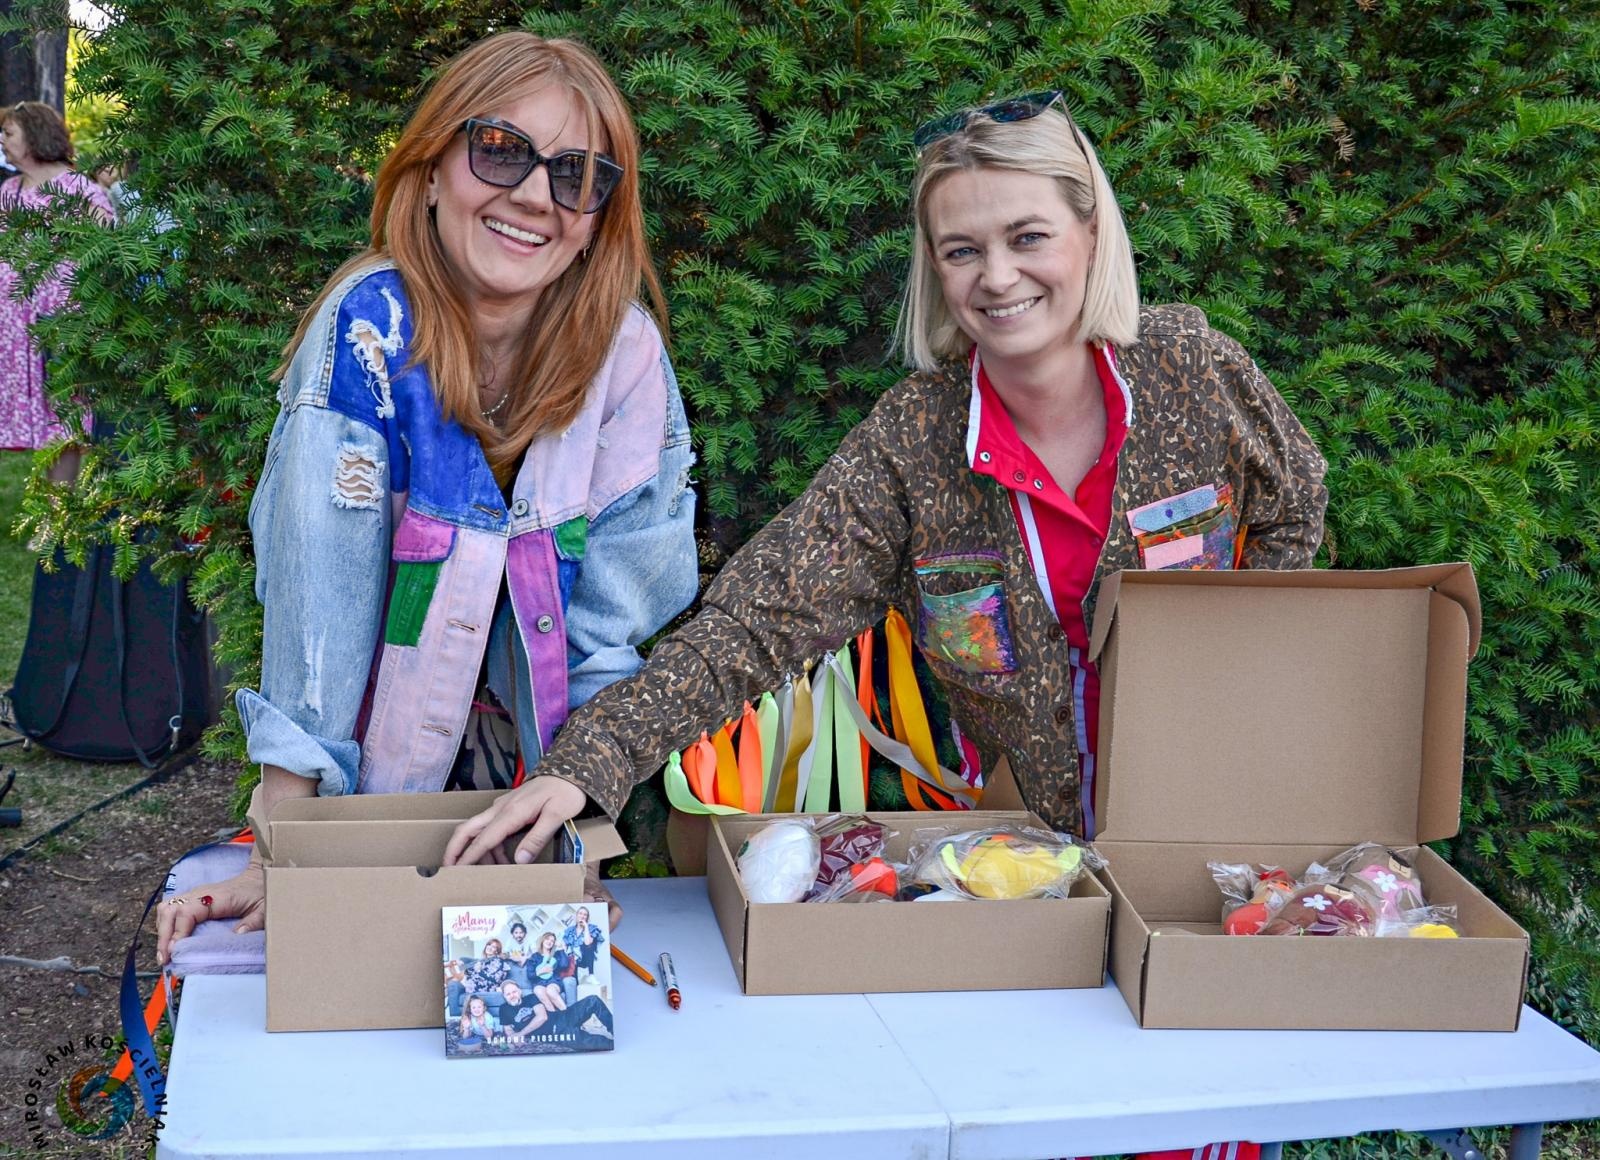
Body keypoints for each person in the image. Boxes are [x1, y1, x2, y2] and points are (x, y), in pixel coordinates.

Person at [448, 88, 1317, 1160]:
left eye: (1027, 236)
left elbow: (1295, 500)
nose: (997, 276)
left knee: (1201, 1120)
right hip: (1035, 894)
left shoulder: (1192, 370)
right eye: (962, 250)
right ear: (934, 272)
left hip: (1207, 874)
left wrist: (1250, 668)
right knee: (1055, 1121)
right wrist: (586, 763)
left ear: (1091, 232)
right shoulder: (914, 444)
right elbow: (753, 622)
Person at [155, 30, 699, 964]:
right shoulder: (370, 331)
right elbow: (318, 607)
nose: (536, 195)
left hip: (536, 782)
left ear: (601, 216)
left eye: (577, 175)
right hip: (376, 782)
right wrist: (281, 853)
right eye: (502, 150)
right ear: (435, 164)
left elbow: (609, 626)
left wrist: (576, 859)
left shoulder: (626, 353)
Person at [0, 101, 113, 479]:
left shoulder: (78, 188)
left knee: (64, 412)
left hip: (63, 320)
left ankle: (61, 509)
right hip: (17, 326)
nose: (2, 141)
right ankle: (51, 511)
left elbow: (108, 247)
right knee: (38, 417)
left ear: (34, 136)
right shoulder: (10, 190)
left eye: (8, 133)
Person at [523, 931, 570, 1011]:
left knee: (550, 990)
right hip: (539, 982)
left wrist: (562, 949)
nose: (549, 942)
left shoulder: (556, 954)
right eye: (547, 939)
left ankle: (567, 1014)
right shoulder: (534, 957)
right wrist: (540, 972)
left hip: (553, 981)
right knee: (539, 991)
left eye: (552, 941)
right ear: (543, 940)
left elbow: (564, 965)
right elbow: (530, 975)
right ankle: (554, 1016)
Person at [563, 905, 604, 980]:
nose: (582, 916)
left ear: (587, 917)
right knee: (574, 982)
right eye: (580, 913)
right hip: (574, 960)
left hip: (586, 958)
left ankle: (591, 975)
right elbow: (565, 946)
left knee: (587, 946)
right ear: (577, 915)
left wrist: (586, 927)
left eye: (585, 914)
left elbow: (588, 942)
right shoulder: (570, 930)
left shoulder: (592, 928)